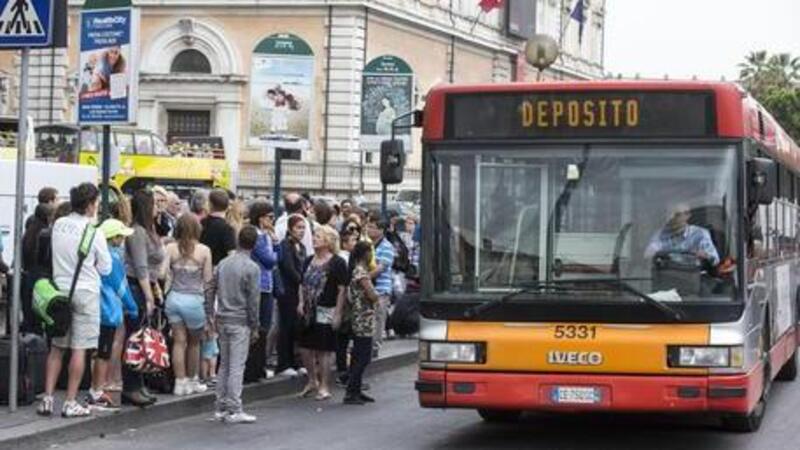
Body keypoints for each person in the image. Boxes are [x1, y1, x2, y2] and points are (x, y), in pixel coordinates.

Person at [38, 183, 112, 418]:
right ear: (90, 205)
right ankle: (70, 402)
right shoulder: (95, 232)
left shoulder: (59, 224)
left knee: (57, 347)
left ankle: (47, 399)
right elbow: (106, 268)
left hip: (61, 292)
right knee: (80, 349)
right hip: (87, 292)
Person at [206, 226, 261, 424]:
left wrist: (209, 314)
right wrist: (255, 325)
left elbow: (210, 288)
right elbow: (253, 300)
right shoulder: (252, 268)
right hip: (240, 320)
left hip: (223, 317)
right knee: (237, 366)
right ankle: (234, 407)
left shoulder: (223, 263)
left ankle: (220, 406)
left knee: (224, 365)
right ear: (254, 244)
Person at [87, 219, 138, 411]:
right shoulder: (112, 259)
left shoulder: (93, 255)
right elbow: (121, 287)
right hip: (108, 311)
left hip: (93, 307)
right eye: (120, 236)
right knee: (104, 352)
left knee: (93, 351)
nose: (122, 240)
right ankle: (97, 391)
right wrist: (133, 308)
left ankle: (95, 388)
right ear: (113, 238)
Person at [123, 189, 165, 407]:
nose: (159, 207)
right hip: (138, 286)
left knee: (144, 336)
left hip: (149, 285)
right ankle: (131, 385)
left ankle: (139, 383)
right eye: (155, 204)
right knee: (136, 337)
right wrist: (149, 296)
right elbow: (140, 267)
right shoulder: (138, 232)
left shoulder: (150, 231)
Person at [296, 225, 348, 401]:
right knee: (305, 346)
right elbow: (302, 283)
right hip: (308, 309)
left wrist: (339, 313)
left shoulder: (337, 262)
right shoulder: (308, 260)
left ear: (328, 241)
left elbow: (342, 289)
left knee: (324, 349)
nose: (314, 239)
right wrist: (301, 302)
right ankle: (312, 380)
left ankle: (325, 384)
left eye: (318, 236)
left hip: (327, 308)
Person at [164, 214, 213, 396]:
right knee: (194, 343)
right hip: (194, 301)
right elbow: (208, 281)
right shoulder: (204, 250)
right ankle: (192, 380)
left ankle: (179, 382)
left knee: (178, 342)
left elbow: (163, 273)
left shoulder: (170, 248)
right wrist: (209, 312)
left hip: (174, 299)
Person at [343, 241, 379, 405]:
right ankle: (351, 391)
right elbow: (372, 295)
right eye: (370, 252)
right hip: (362, 318)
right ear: (365, 254)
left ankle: (356, 390)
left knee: (359, 355)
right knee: (362, 356)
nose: (372, 255)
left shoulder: (358, 271)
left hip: (362, 317)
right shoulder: (361, 273)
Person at [249, 201, 278, 378]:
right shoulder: (258, 237)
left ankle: (258, 365)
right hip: (260, 285)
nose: (272, 220)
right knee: (260, 326)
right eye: (270, 217)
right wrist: (276, 245)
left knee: (264, 327)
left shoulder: (265, 235)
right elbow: (270, 260)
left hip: (267, 284)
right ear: (261, 218)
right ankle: (254, 367)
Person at [275, 215, 307, 377]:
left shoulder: (302, 247)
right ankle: (284, 363)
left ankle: (297, 361)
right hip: (287, 291)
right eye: (298, 227)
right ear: (290, 228)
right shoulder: (284, 246)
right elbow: (288, 268)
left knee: (297, 327)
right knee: (286, 326)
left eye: (303, 228)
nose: (301, 231)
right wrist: (302, 280)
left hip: (299, 292)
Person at [644, 202, 720, 266]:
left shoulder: (700, 234)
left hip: (692, 279)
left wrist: (705, 256)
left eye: (677, 215)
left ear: (687, 216)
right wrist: (651, 254)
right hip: (665, 278)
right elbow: (648, 254)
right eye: (669, 214)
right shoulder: (660, 234)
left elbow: (715, 260)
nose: (671, 218)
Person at [21, 203, 54, 334]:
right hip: (40, 280)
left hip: (29, 278)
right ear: (47, 217)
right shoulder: (44, 234)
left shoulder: (29, 232)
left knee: (30, 319)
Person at [365, 212, 395, 355]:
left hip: (380, 290)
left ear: (381, 230)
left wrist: (363, 278)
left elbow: (381, 268)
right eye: (368, 226)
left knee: (378, 319)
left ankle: (374, 347)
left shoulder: (387, 247)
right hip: (366, 288)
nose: (369, 230)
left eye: (372, 227)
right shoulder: (366, 245)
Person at [335, 227, 359, 384]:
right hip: (346, 304)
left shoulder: (349, 257)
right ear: (344, 243)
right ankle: (343, 370)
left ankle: (344, 368)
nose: (355, 243)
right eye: (353, 240)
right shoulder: (344, 259)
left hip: (347, 304)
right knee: (343, 338)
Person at [201, 189, 237, 267]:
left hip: (200, 268)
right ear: (227, 207)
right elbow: (232, 255)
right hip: (218, 271)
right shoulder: (227, 228)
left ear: (210, 204)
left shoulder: (201, 223)